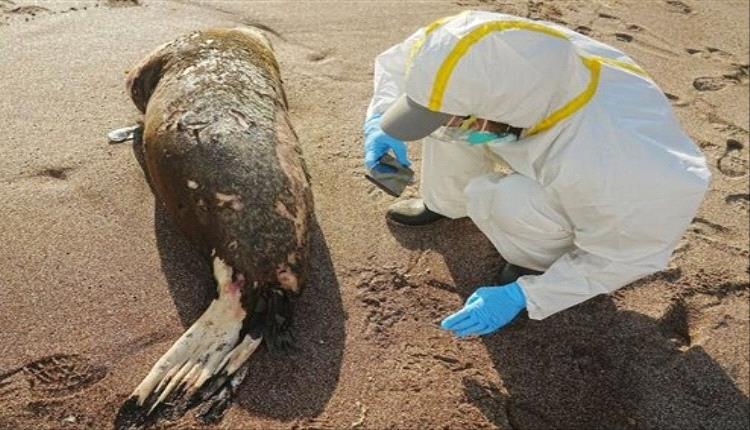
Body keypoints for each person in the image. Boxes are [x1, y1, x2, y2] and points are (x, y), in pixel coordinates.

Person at [363, 11, 710, 337]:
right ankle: (445, 203)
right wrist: (381, 119)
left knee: (508, 199)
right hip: (520, 128)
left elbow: (623, 254)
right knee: (449, 127)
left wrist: (529, 295)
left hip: (588, 167)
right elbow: (407, 64)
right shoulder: (468, 45)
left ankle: (533, 264)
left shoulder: (622, 166)